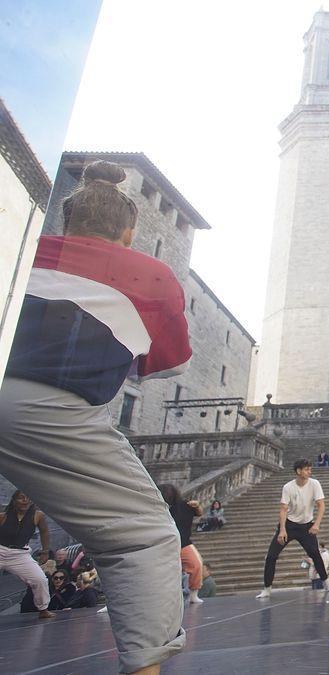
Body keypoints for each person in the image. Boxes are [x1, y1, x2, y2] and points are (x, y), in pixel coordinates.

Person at [0, 161, 190, 673]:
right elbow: (167, 358)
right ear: (129, 232)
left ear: (65, 220)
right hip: (44, 408)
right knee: (144, 535)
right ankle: (146, 667)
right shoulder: (149, 275)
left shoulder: (26, 243)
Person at [257, 458, 327, 598]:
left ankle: (326, 582)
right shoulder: (288, 487)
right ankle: (267, 588)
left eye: (310, 469)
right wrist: (282, 530)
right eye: (307, 469)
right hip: (289, 525)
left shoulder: (315, 484)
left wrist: (316, 524)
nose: (309, 472)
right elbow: (283, 509)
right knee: (271, 556)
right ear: (298, 471)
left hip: (306, 526)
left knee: (315, 553)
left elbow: (321, 505)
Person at [0, 490, 55, 618]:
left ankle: (43, 609)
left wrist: (45, 551)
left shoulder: (38, 516)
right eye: (21, 498)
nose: (25, 500)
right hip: (1, 549)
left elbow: (45, 532)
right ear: (14, 501)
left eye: (28, 498)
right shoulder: (3, 516)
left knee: (39, 579)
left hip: (20, 554)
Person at [158, 484, 205, 605]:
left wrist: (197, 505)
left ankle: (193, 594)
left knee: (196, 564)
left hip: (182, 543)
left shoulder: (184, 505)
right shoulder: (157, 509)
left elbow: (199, 513)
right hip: (164, 544)